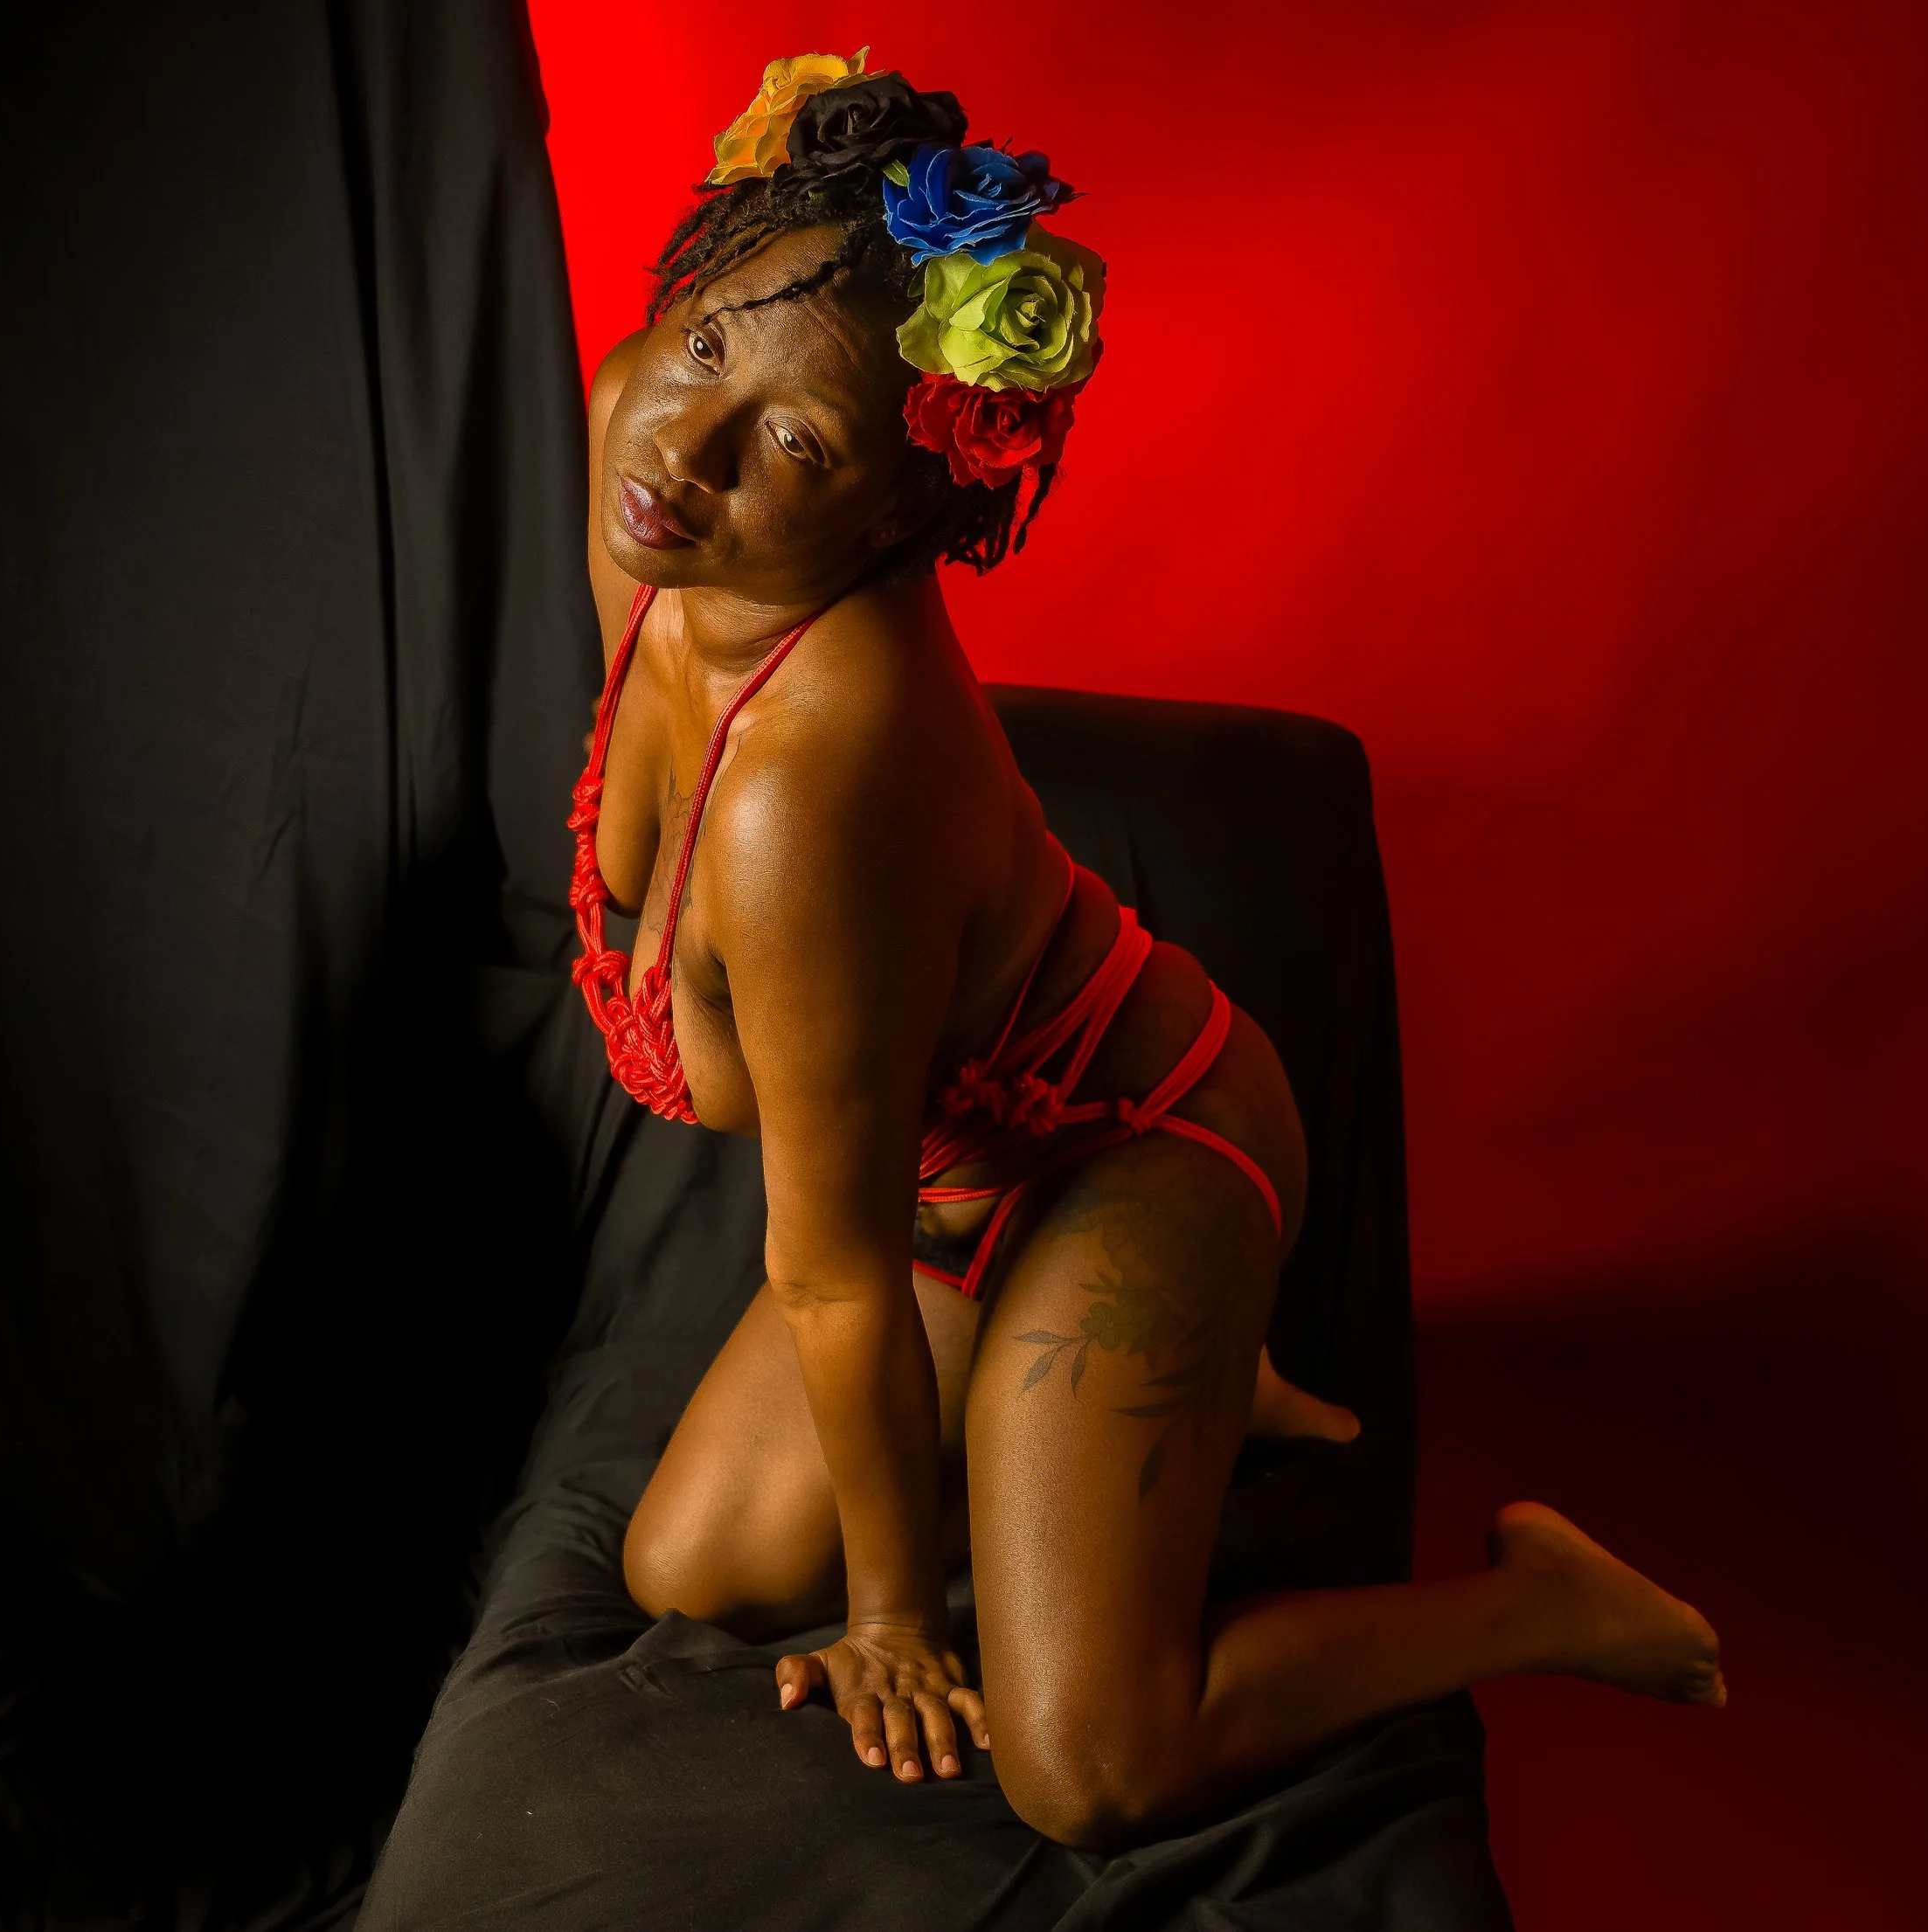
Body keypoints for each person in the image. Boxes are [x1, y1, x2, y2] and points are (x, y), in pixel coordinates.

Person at [572, 52, 1723, 1852]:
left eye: (795, 445)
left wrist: (893, 1621)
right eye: (707, 339)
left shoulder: (809, 788)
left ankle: (1538, 1600)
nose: (687, 445)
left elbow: (834, 1272)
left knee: (1093, 1768)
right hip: (957, 1173)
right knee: (686, 1569)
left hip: (1132, 1156)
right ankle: (1185, 1398)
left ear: (897, 514)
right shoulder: (646, 493)